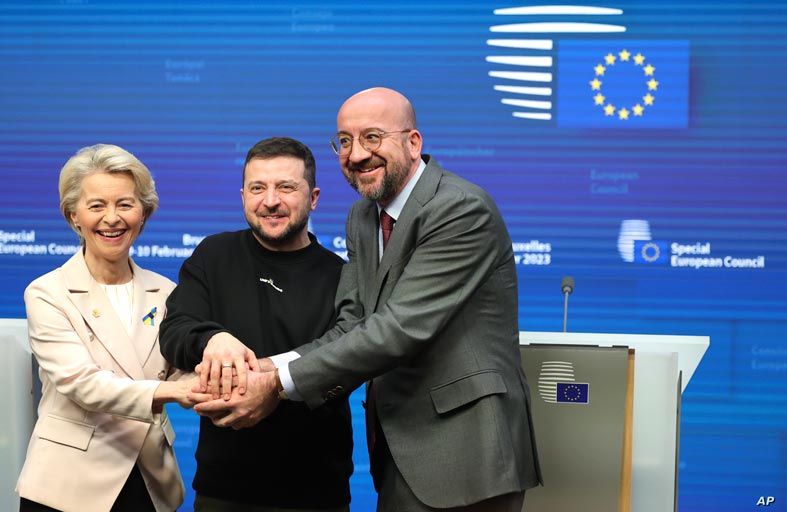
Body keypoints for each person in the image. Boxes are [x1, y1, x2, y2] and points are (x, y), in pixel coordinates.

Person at [194, 87, 542, 511]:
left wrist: (277, 385)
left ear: (413, 142)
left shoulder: (460, 208)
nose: (357, 154)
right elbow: (353, 323)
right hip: (400, 447)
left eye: (372, 137)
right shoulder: (363, 216)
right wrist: (264, 367)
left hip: (467, 450)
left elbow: (398, 329)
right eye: (345, 141)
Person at [158, 137, 354, 511]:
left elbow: (343, 364)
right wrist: (213, 339)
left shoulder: (341, 276)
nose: (270, 201)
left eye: (286, 187)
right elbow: (175, 330)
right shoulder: (213, 254)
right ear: (243, 196)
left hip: (316, 491)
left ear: (313, 198)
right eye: (257, 188)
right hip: (223, 488)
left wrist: (273, 387)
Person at [16, 144, 208, 512]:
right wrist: (174, 391)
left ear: (143, 213)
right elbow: (83, 383)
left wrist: (216, 381)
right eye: (96, 206)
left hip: (149, 479)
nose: (112, 218)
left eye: (125, 204)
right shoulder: (47, 292)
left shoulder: (166, 292)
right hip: (68, 485)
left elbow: (178, 369)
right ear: (74, 215)